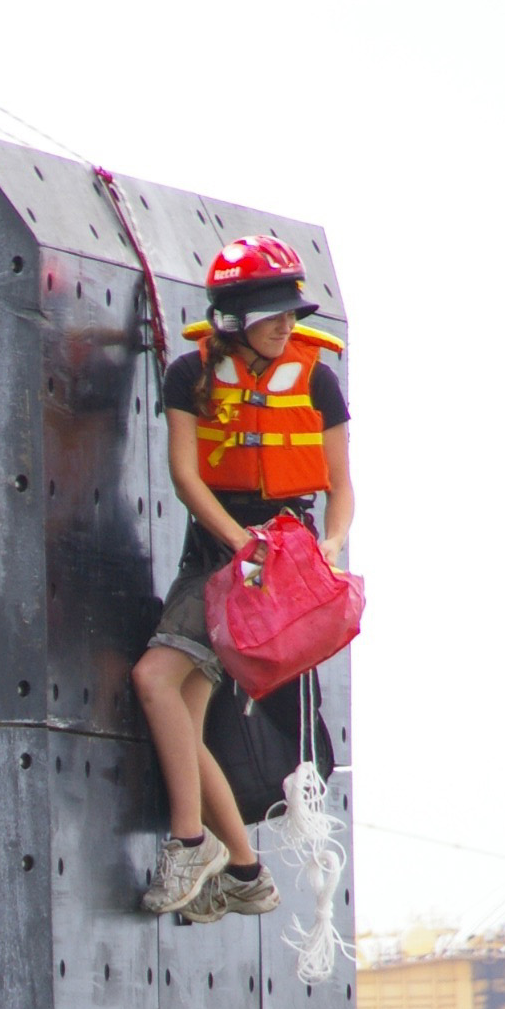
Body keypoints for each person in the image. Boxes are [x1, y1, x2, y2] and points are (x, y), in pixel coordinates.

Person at [131, 234, 354, 921]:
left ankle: (192, 841)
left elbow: (341, 488)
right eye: (270, 313)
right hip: (218, 553)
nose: (287, 324)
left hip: (279, 561)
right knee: (181, 711)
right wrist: (234, 542)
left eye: (291, 312)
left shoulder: (317, 378)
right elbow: (185, 475)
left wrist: (334, 547)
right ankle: (244, 872)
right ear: (231, 319)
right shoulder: (187, 376)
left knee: (155, 681)